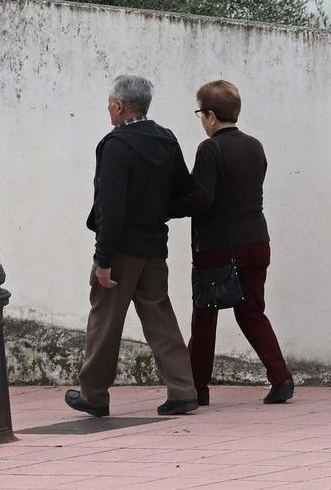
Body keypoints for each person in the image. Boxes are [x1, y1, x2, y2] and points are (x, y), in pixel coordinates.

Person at [66, 75, 200, 418]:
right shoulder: (166, 139)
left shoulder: (116, 145)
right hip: (154, 246)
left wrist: (103, 258)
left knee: (105, 321)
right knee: (160, 318)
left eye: (110, 102)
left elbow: (111, 207)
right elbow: (184, 193)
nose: (108, 108)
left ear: (121, 105)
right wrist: (156, 212)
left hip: (122, 249)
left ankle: (94, 395)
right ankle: (184, 391)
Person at [172, 79, 295, 406]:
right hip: (257, 241)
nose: (201, 121)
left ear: (211, 116)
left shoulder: (209, 148)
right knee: (252, 311)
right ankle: (281, 378)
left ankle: (196, 387)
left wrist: (167, 208)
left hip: (219, 247)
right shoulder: (255, 145)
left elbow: (202, 199)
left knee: (205, 314)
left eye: (201, 113)